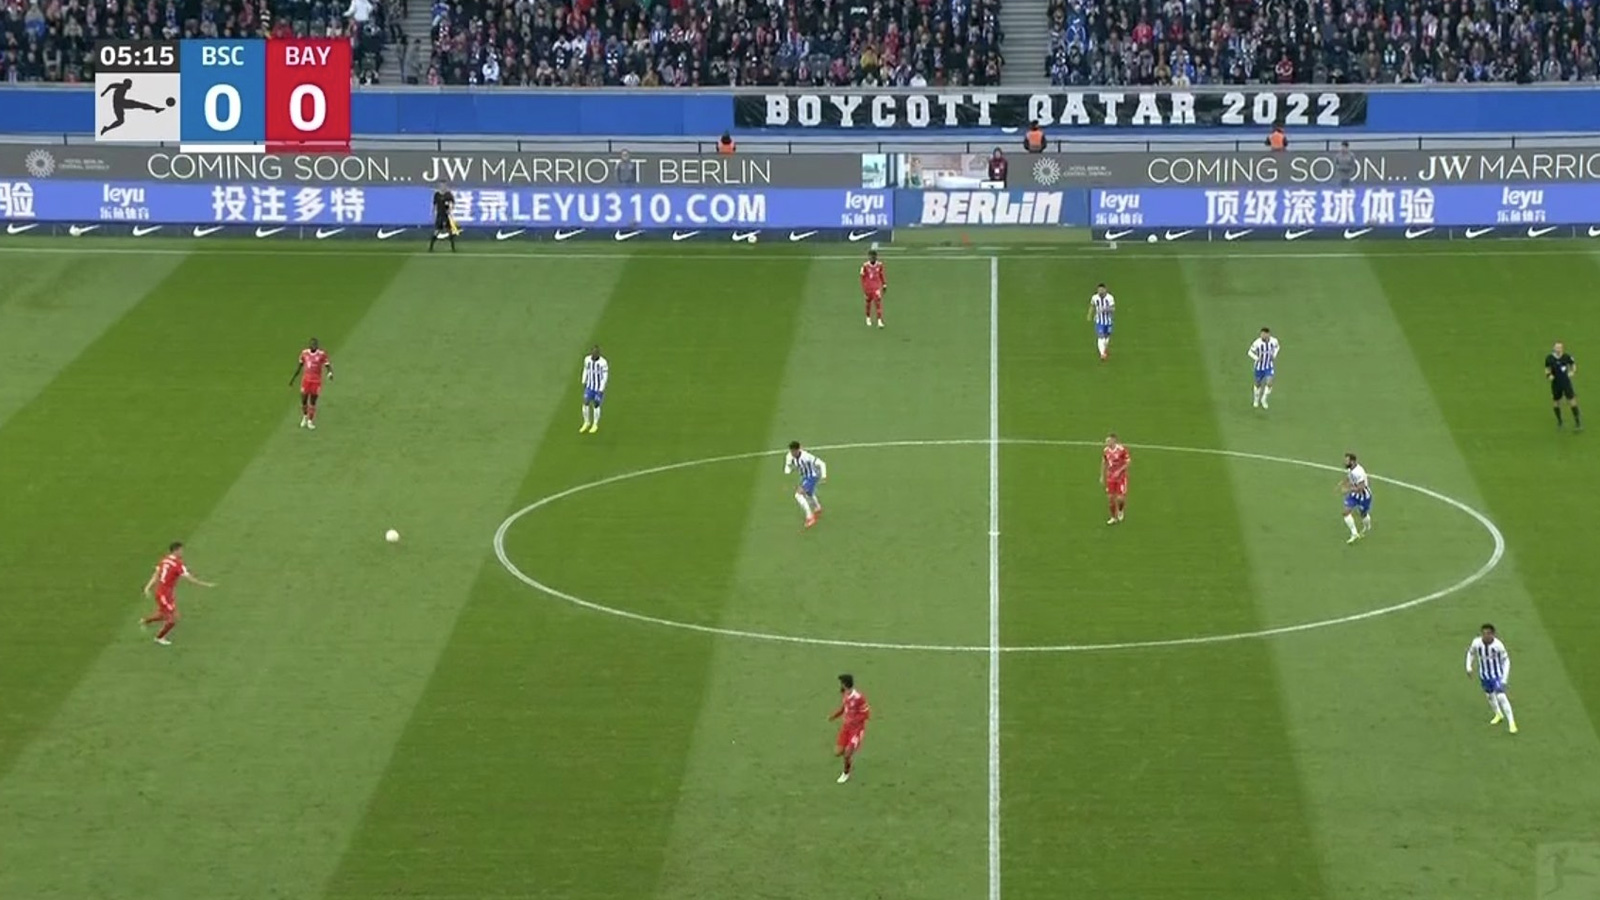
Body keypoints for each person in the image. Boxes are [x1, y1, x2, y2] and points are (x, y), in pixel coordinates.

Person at [140, 541, 215, 646]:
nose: (182, 552)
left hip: (165, 593)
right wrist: (204, 584)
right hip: (164, 594)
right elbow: (189, 578)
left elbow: (156, 574)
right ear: (176, 550)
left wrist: (148, 587)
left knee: (163, 614)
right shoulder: (178, 564)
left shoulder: (164, 560)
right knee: (173, 618)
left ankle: (145, 621)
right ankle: (159, 638)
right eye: (181, 550)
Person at [1466, 624, 1516, 734]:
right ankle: (1498, 714)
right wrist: (1468, 667)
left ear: (1493, 634)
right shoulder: (1477, 643)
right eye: (1484, 633)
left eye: (1488, 633)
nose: (1486, 636)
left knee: (1501, 697)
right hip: (1484, 675)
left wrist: (1504, 679)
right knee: (1489, 696)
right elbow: (1471, 653)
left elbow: (1506, 661)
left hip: (1497, 675)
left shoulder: (1498, 645)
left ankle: (1511, 723)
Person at [828, 673, 871, 783]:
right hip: (846, 728)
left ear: (844, 684)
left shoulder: (859, 698)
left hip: (856, 730)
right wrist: (834, 716)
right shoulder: (845, 694)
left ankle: (846, 773)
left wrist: (855, 720)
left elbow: (866, 714)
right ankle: (849, 751)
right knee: (838, 752)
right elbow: (844, 708)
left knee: (847, 753)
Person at [288, 338, 332, 429]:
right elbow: (299, 366)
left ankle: (310, 421)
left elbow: (327, 365)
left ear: (317, 345)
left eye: (315, 344)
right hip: (306, 381)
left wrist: (330, 373)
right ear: (309, 345)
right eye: (312, 344)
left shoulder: (321, 354)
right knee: (304, 400)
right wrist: (293, 379)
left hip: (316, 381)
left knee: (312, 401)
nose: (314, 346)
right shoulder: (304, 353)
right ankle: (304, 417)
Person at [98, 78, 167, 136]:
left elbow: (111, 86)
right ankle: (155, 109)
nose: (130, 86)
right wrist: (104, 92)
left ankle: (106, 129)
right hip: (121, 103)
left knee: (121, 120)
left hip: (119, 104)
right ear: (126, 83)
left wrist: (105, 92)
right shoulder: (122, 86)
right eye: (130, 84)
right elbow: (111, 85)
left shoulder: (122, 87)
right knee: (140, 105)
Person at [784, 441, 827, 529]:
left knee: (798, 495)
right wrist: (788, 469)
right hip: (804, 477)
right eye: (791, 451)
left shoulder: (806, 456)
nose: (792, 453)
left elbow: (822, 463)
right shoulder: (789, 456)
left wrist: (824, 476)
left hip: (812, 476)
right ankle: (817, 508)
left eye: (794, 451)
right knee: (809, 494)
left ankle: (810, 517)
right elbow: (788, 465)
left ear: (798, 450)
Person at [1547, 341, 1580, 430]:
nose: (1558, 349)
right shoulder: (1549, 358)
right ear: (1554, 348)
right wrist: (1549, 375)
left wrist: (1572, 371)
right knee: (1556, 402)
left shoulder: (1566, 357)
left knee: (1572, 400)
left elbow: (1573, 364)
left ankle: (1577, 422)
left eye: (1559, 347)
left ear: (1562, 348)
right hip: (1556, 383)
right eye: (1556, 347)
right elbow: (1547, 368)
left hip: (1566, 383)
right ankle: (1560, 421)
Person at [1340, 452, 1372, 544]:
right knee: (1346, 512)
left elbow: (1361, 487)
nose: (1345, 462)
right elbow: (1350, 476)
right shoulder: (1351, 469)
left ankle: (1367, 526)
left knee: (1363, 514)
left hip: (1364, 496)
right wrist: (1343, 482)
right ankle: (1354, 533)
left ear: (1352, 462)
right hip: (1354, 495)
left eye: (1347, 461)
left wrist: (1347, 489)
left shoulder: (1359, 472)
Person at [1248, 327, 1280, 409]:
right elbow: (1250, 352)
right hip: (1259, 367)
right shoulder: (1257, 343)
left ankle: (1264, 399)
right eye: (1262, 334)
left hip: (1269, 366)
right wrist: (1256, 358)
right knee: (1257, 384)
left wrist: (1274, 355)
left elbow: (1277, 347)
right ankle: (1256, 400)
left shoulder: (1273, 341)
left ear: (1268, 334)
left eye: (1265, 334)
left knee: (1269, 383)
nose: (1263, 336)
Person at [1101, 433, 1129, 525]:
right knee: (1111, 499)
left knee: (1120, 499)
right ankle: (1113, 517)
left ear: (1114, 441)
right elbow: (1104, 462)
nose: (1106, 443)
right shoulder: (1106, 450)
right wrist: (1102, 476)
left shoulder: (1121, 450)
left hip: (1121, 477)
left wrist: (1119, 471)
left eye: (1108, 441)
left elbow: (1128, 462)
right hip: (1110, 478)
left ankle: (1120, 510)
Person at [580, 345, 609, 434]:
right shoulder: (587, 360)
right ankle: (586, 422)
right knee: (585, 402)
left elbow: (605, 376)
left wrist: (601, 389)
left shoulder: (603, 363)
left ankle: (595, 424)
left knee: (596, 404)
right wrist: (584, 380)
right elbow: (585, 370)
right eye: (593, 353)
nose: (594, 354)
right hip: (589, 386)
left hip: (598, 388)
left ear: (598, 354)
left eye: (596, 353)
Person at [1088, 282, 1114, 361]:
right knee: (1101, 336)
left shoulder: (1110, 298)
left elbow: (1113, 309)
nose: (1100, 291)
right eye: (1099, 290)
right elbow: (1092, 306)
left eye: (1102, 290)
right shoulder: (1094, 298)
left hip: (1108, 321)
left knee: (1107, 337)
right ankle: (1102, 354)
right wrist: (1089, 314)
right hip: (1099, 321)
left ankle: (1104, 349)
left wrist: (1104, 309)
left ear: (1105, 290)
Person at [861, 249, 887, 328]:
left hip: (876, 288)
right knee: (868, 303)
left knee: (878, 303)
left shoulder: (880, 265)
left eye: (873, 256)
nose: (872, 258)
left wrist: (884, 284)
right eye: (870, 256)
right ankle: (868, 318)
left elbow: (882, 274)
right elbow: (862, 278)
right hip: (868, 288)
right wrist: (864, 289)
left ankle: (879, 321)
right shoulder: (865, 266)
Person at [429, 181, 457, 252]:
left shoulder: (448, 194)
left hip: (446, 215)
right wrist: (433, 213)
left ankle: (453, 248)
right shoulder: (437, 194)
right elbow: (434, 205)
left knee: (449, 231)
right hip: (439, 215)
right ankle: (431, 247)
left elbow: (453, 203)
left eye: (444, 185)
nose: (442, 187)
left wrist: (450, 209)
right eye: (441, 185)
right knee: (437, 231)